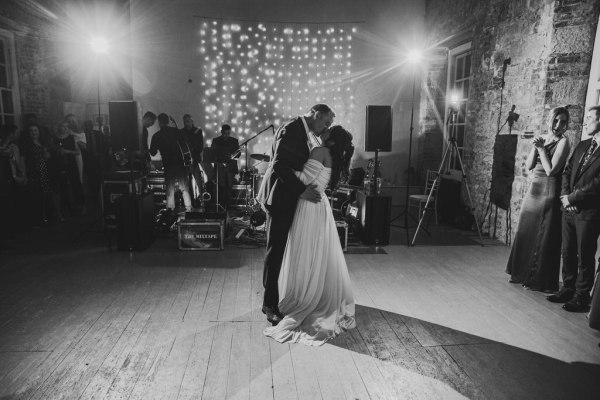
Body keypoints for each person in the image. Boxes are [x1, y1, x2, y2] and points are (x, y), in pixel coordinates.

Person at [263, 125, 356, 346]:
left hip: (307, 206)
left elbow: (302, 179)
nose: (321, 132)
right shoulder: (332, 156)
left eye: (326, 131)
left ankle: (306, 295)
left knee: (304, 251)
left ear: (330, 139)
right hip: (320, 205)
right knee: (316, 253)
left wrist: (278, 167)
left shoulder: (319, 152)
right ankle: (315, 292)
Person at [258, 103, 335, 325]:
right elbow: (280, 165)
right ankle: (269, 304)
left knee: (284, 249)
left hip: (289, 197)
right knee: (276, 251)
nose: (325, 127)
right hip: (280, 197)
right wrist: (302, 190)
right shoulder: (293, 128)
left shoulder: (303, 130)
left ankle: (288, 294)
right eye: (326, 122)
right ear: (316, 114)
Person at [506, 106, 571, 292]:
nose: (558, 125)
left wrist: (542, 149)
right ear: (550, 119)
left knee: (543, 235)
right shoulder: (543, 136)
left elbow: (551, 170)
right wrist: (535, 148)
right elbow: (529, 166)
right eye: (556, 120)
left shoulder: (564, 142)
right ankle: (520, 273)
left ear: (566, 125)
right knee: (525, 230)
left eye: (563, 122)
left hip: (549, 190)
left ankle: (537, 279)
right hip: (533, 189)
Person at [548, 105, 600, 312]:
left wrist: (573, 197)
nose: (585, 122)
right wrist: (564, 197)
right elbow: (568, 171)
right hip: (568, 209)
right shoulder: (583, 145)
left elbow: (598, 183)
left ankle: (581, 296)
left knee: (585, 254)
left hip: (589, 212)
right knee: (567, 251)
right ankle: (567, 288)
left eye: (590, 118)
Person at [149, 113, 192, 211]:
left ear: (159, 123)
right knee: (184, 187)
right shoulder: (177, 132)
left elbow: (153, 152)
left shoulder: (157, 136)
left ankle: (170, 210)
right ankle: (189, 209)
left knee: (170, 189)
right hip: (180, 163)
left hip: (168, 164)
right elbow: (186, 143)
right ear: (168, 121)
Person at [49, 121, 85, 218]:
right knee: (63, 186)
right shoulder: (54, 139)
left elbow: (77, 152)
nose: (65, 128)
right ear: (59, 127)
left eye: (67, 126)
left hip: (71, 164)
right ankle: (66, 208)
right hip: (59, 165)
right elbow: (51, 151)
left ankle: (80, 206)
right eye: (63, 126)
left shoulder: (72, 138)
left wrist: (67, 151)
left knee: (75, 184)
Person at [22, 123, 55, 224]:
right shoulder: (26, 144)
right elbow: (23, 159)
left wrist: (46, 151)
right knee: (36, 195)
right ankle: (38, 219)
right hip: (33, 171)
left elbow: (46, 158)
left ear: (39, 132)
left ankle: (46, 216)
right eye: (31, 131)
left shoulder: (42, 142)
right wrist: (24, 174)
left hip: (43, 170)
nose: (33, 133)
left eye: (35, 130)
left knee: (45, 194)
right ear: (28, 133)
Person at [211, 124, 239, 209]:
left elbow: (238, 153)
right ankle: (222, 205)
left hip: (230, 167)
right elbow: (213, 153)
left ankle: (228, 205)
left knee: (229, 186)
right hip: (220, 166)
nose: (227, 135)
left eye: (228, 133)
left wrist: (234, 155)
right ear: (221, 132)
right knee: (221, 186)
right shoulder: (216, 140)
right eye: (225, 133)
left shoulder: (234, 141)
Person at [180, 114, 205, 201]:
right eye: (184, 121)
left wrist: (193, 155)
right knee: (187, 181)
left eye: (187, 121)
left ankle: (200, 198)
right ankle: (189, 199)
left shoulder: (197, 131)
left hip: (195, 159)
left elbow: (200, 146)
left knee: (198, 180)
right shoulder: (181, 132)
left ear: (192, 121)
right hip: (185, 160)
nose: (186, 123)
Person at [80, 120, 106, 201]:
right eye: (87, 125)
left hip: (98, 159)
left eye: (90, 125)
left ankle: (100, 193)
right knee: (91, 178)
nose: (89, 126)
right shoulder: (82, 135)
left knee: (99, 177)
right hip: (88, 160)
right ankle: (94, 194)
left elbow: (105, 146)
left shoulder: (99, 134)